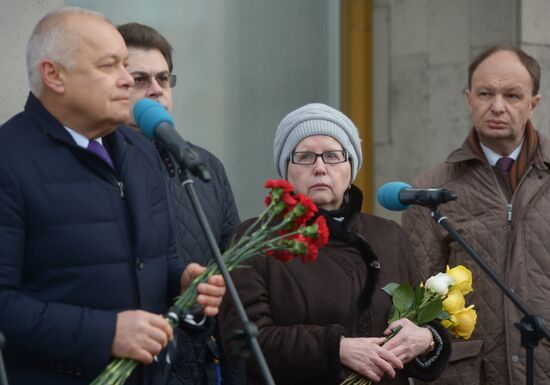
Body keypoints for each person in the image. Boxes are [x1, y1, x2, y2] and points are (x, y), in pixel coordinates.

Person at [0, 7, 226, 385]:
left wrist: (182, 283)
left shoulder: (140, 152)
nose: (126, 80)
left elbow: (161, 260)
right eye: (110, 67)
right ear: (53, 75)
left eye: (125, 64)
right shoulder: (9, 159)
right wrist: (105, 333)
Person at [218, 103, 451, 385]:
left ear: (350, 169)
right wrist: (334, 348)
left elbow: (425, 321)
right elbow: (241, 343)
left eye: (332, 156)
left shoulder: (389, 236)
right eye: (304, 157)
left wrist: (427, 339)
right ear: (285, 171)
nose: (319, 168)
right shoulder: (256, 239)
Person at [402, 45, 550, 385]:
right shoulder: (429, 191)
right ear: (469, 99)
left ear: (533, 103)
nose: (497, 106)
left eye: (512, 95)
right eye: (486, 93)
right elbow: (416, 305)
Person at [117, 22, 240, 385]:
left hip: (198, 367)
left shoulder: (204, 167)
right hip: (128, 366)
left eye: (164, 78)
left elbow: (232, 275)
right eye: (140, 79)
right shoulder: (98, 167)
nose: (156, 90)